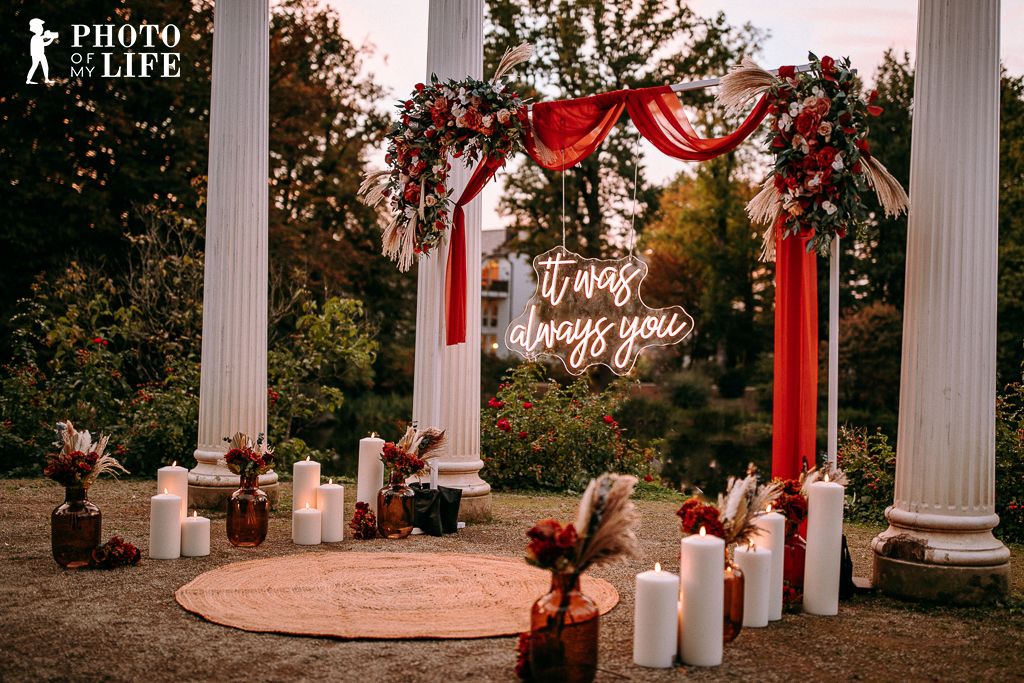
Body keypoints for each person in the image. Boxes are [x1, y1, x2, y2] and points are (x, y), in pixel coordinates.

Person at [26, 18, 57, 85]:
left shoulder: (37, 37)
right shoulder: (36, 37)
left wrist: (50, 38)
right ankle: (29, 79)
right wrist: (51, 39)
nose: (42, 29)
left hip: (38, 54)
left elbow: (44, 44)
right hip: (38, 54)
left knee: (42, 65)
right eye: (40, 27)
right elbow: (45, 44)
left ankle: (45, 79)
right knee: (37, 65)